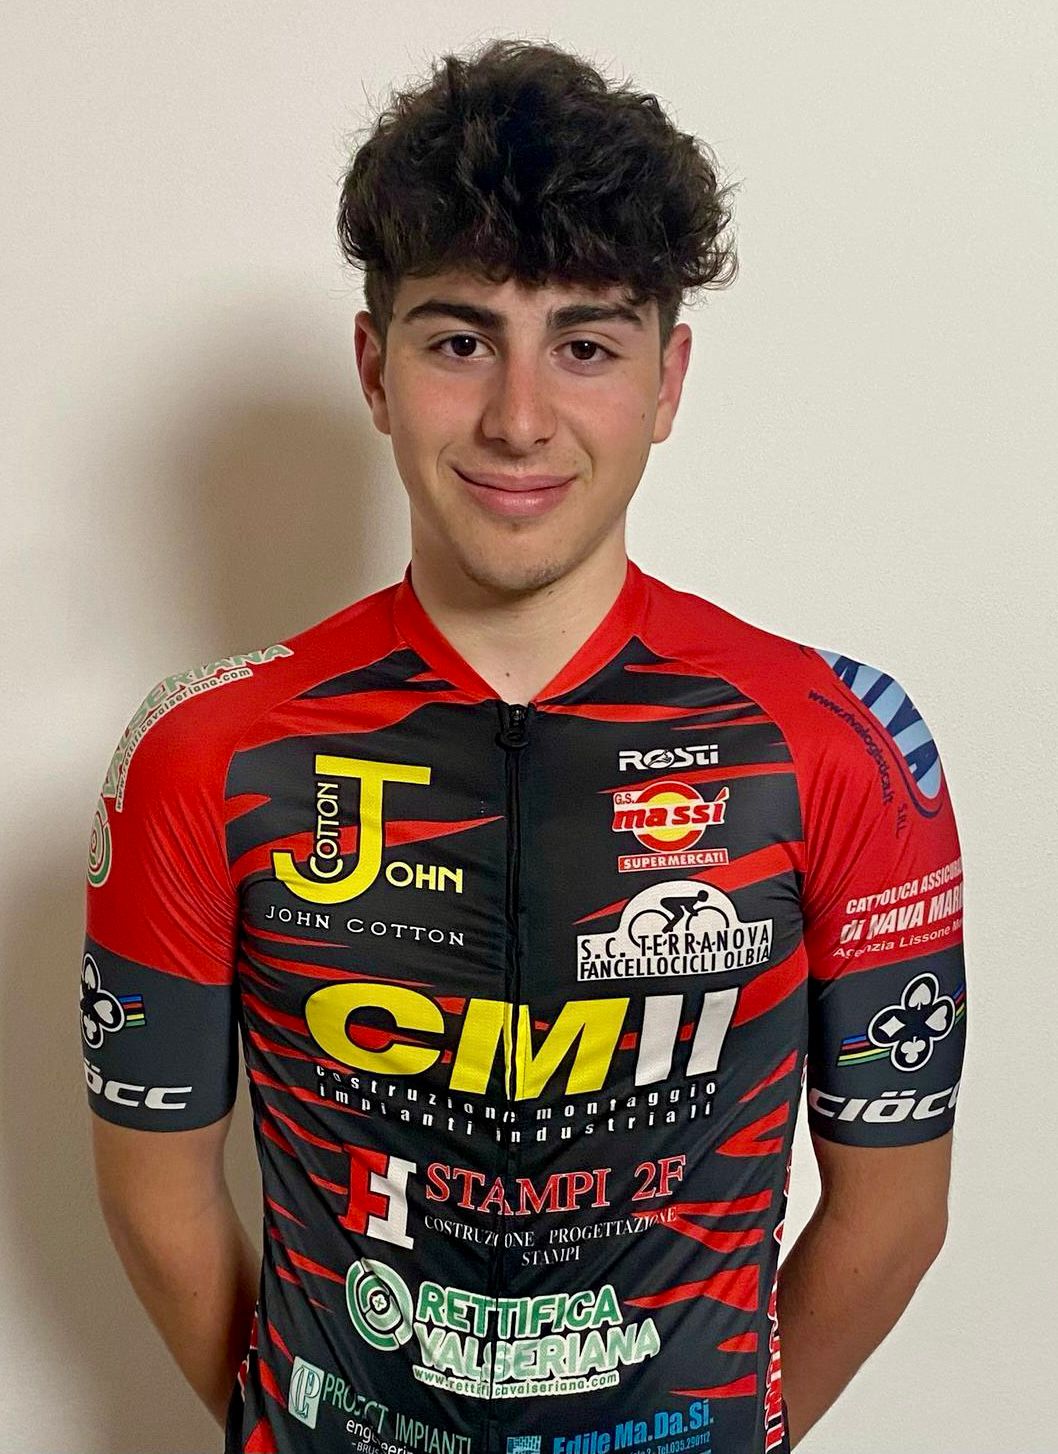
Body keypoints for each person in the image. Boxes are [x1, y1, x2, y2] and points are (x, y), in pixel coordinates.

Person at [81, 37, 967, 1454]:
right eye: (459, 341)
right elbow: (153, 1190)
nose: (517, 419)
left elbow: (894, 1211)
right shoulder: (208, 751)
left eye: (585, 345)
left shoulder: (836, 743)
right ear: (374, 370)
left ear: (666, 381)